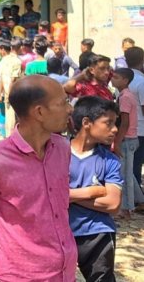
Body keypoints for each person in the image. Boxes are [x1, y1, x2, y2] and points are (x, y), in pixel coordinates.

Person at [0, 75, 76, 281]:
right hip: (18, 271)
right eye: (63, 103)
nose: (70, 109)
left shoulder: (62, 148)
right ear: (40, 112)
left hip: (63, 267)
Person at [68, 96, 123, 281]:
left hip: (97, 233)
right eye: (108, 123)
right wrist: (93, 190)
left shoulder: (110, 161)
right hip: (59, 230)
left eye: (115, 123)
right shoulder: (57, 153)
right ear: (86, 123)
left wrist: (67, 195)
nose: (115, 129)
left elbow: (112, 204)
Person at [111, 68, 144, 220]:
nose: (112, 79)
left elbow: (125, 122)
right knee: (128, 172)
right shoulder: (125, 95)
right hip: (131, 138)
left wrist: (117, 141)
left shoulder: (125, 97)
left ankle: (126, 209)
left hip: (126, 139)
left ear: (125, 80)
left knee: (124, 175)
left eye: (116, 77)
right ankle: (139, 200)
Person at [125, 46, 144, 189]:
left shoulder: (123, 79)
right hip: (140, 129)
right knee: (136, 165)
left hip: (127, 128)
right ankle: (137, 199)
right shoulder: (141, 82)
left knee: (131, 165)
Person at [0, 38, 23, 135]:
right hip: (14, 93)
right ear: (21, 48)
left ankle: (9, 137)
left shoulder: (3, 60)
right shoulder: (17, 61)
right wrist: (10, 94)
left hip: (6, 92)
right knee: (14, 120)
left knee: (9, 119)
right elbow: (13, 79)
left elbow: (0, 78)